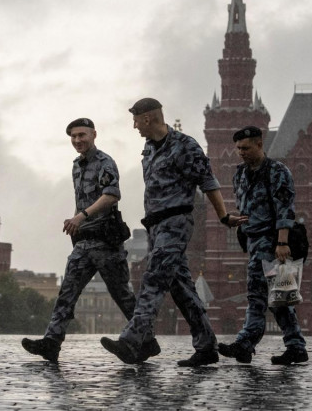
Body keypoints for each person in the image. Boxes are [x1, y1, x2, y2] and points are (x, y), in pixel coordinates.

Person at [100, 98, 243, 367]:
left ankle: (133, 341)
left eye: (135, 120)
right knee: (182, 289)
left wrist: (223, 216)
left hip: (176, 222)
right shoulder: (149, 148)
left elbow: (209, 182)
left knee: (153, 279)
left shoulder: (185, 146)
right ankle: (207, 346)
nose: (133, 126)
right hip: (155, 226)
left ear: (147, 118)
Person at [22, 118, 159, 363]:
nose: (77, 140)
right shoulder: (77, 165)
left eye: (82, 135)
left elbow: (111, 196)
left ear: (94, 134)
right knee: (67, 292)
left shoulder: (105, 163)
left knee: (121, 295)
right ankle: (52, 342)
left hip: (106, 242)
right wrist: (78, 226)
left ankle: (147, 340)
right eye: (73, 136)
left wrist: (81, 216)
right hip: (84, 243)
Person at [216, 126, 308, 365]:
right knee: (281, 297)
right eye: (237, 148)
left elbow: (285, 208)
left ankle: (245, 342)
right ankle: (296, 346)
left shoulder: (277, 171)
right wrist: (237, 220)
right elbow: (247, 206)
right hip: (254, 240)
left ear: (259, 144)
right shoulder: (240, 174)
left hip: (273, 242)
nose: (240, 152)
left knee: (257, 294)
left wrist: (282, 242)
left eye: (245, 148)